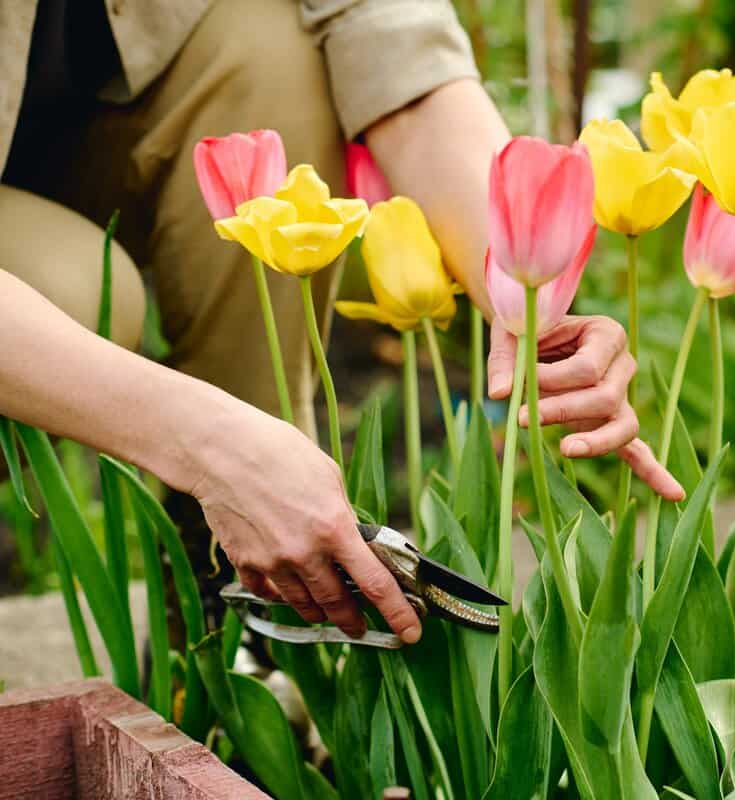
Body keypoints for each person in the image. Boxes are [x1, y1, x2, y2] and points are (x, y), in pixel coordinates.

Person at [0, 0, 682, 647]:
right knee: (84, 293)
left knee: (276, 42)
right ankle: (233, 481)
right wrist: (201, 444)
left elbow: (397, 43)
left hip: (82, 141)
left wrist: (522, 292)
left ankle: (233, 590)